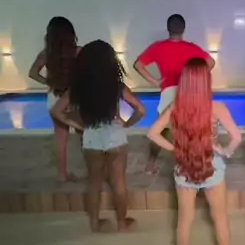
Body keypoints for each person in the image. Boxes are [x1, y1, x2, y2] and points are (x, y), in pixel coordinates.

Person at [148, 58, 242, 245]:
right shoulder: (217, 108)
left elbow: (152, 133)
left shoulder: (175, 108)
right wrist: (224, 150)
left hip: (184, 166)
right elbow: (237, 137)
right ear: (206, 81)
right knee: (220, 217)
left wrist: (176, 150)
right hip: (211, 166)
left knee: (184, 219)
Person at [52, 41, 145, 233]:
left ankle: (95, 224)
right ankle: (122, 223)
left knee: (94, 182)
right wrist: (127, 124)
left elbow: (56, 111)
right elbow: (141, 109)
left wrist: (77, 125)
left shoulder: (78, 88)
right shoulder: (116, 86)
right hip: (115, 134)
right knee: (118, 182)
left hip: (91, 135)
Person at [134, 14, 215, 174]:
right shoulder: (192, 48)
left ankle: (150, 165)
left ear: (168, 29)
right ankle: (192, 164)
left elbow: (138, 65)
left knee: (161, 130)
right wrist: (195, 77)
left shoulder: (158, 47)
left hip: (168, 93)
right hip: (189, 92)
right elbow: (211, 63)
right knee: (191, 130)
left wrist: (155, 81)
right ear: (183, 29)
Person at [28, 17, 81, 182]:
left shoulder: (46, 54)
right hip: (74, 96)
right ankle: (93, 171)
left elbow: (32, 73)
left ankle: (62, 175)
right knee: (84, 135)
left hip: (55, 97)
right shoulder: (79, 52)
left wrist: (49, 82)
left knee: (60, 138)